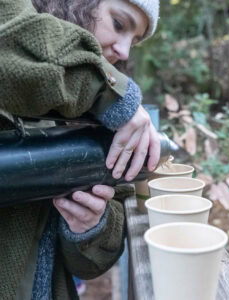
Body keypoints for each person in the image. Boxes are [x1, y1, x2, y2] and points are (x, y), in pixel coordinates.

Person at [0, 0, 160, 299]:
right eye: (119, 25)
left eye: (134, 42)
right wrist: (110, 92)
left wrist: (91, 226)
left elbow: (95, 262)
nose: (124, 51)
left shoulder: (109, 117)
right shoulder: (13, 16)